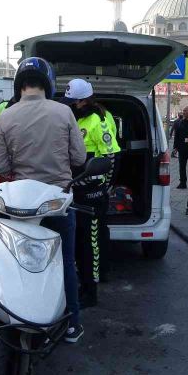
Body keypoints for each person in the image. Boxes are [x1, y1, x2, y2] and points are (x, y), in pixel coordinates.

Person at [0, 57, 87, 343]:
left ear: (20, 85)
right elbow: (80, 158)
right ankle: (71, 324)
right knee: (65, 262)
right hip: (58, 203)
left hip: (20, 207)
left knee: (17, 263)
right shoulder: (64, 113)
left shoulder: (5, 115)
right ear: (49, 84)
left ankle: (17, 314)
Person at [60, 79, 121, 308]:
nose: (70, 106)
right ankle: (83, 282)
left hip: (92, 192)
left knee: (90, 244)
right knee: (77, 242)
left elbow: (112, 156)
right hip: (75, 188)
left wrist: (104, 187)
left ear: (84, 100)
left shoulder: (99, 120)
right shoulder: (77, 117)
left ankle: (91, 291)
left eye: (73, 102)